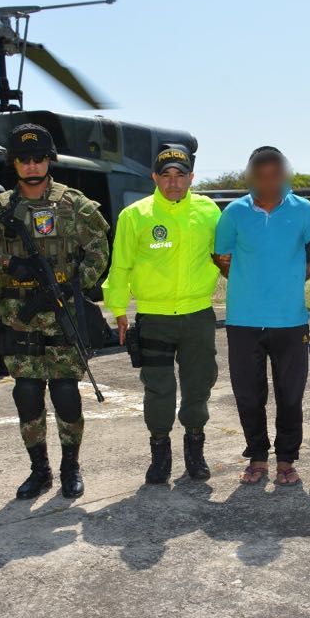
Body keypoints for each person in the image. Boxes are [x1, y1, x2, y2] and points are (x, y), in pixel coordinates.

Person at [0, 124, 110, 500]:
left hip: (63, 313)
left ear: (49, 160)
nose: (31, 166)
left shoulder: (73, 204)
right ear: (14, 163)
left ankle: (70, 467)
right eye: (24, 159)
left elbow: (99, 249)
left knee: (65, 393)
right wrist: (10, 265)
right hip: (18, 315)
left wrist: (74, 283)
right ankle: (39, 470)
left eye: (38, 158)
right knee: (27, 394)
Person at [103, 145, 221, 484]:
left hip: (197, 314)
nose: (173, 183)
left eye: (180, 176)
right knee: (158, 388)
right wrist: (119, 310)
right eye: (166, 176)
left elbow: (226, 256)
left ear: (191, 178)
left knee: (198, 386)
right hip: (154, 317)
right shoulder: (135, 215)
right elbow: (121, 265)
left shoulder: (209, 212)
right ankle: (160, 453)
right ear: (154, 177)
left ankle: (195, 451)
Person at [213, 147, 310, 486]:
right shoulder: (234, 213)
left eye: (275, 173)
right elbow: (222, 257)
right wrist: (251, 283)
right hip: (243, 320)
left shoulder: (305, 212)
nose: (268, 180)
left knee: (290, 394)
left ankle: (286, 459)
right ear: (251, 175)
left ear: (284, 174)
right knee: (248, 393)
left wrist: (289, 280)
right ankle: (257, 456)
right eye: (261, 174)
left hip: (290, 320)